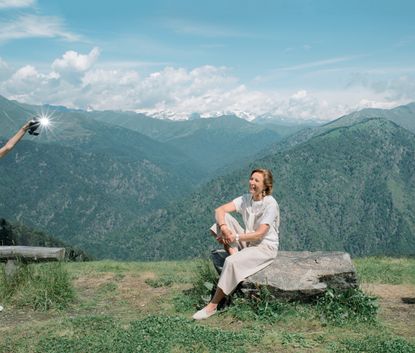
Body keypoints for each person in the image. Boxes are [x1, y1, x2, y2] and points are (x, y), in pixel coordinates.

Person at [193, 168, 280, 320]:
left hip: (264, 248)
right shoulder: (247, 199)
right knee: (222, 221)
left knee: (230, 262)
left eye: (256, 181)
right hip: (249, 243)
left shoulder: (270, 204)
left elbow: (260, 233)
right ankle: (237, 257)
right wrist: (225, 228)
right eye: (251, 179)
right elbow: (220, 210)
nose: (251, 183)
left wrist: (236, 237)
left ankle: (212, 306)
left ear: (266, 186)